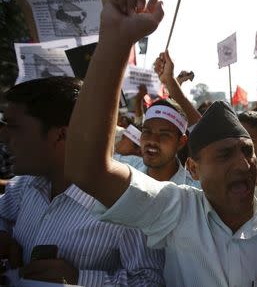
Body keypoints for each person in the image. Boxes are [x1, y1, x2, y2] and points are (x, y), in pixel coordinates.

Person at [65, 0, 257, 287]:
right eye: (224, 155)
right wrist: (116, 42)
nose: (244, 164)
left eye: (246, 150)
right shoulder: (178, 209)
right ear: (193, 170)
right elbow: (88, 170)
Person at [0, 77, 164, 286]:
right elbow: (2, 213)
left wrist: (82, 279)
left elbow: (150, 280)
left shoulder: (127, 204)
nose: (3, 137)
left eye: (14, 127)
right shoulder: (27, 183)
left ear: (61, 135)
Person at [114, 98, 199, 187]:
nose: (152, 140)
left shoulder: (195, 192)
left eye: (164, 134)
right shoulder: (122, 167)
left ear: (181, 142)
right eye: (147, 132)